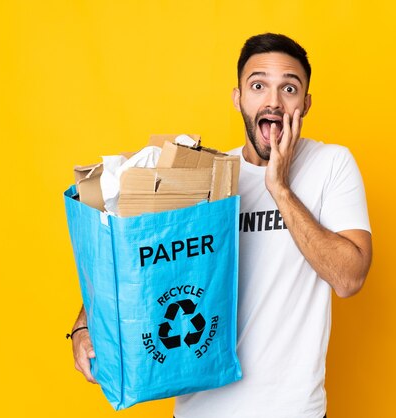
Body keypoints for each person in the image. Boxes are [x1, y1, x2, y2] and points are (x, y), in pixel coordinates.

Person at [70, 33, 372, 418]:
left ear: (306, 103)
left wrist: (279, 187)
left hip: (294, 410)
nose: (274, 101)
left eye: (289, 88)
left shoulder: (331, 165)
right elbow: (133, 258)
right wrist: (82, 325)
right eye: (258, 85)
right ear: (238, 98)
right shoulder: (207, 177)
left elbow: (349, 278)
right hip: (201, 409)